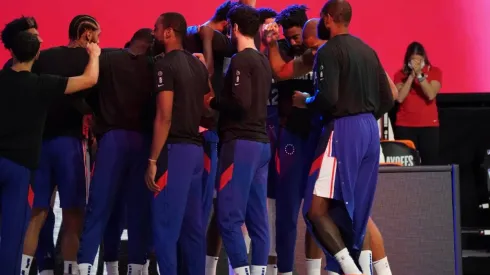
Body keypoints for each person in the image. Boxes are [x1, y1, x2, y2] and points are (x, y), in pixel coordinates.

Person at [267, 18, 396, 275]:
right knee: (337, 212)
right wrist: (270, 43)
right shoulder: (319, 55)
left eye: (313, 45)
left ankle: (356, 271)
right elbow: (280, 70)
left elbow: (389, 93)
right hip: (342, 135)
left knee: (334, 211)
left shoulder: (339, 53)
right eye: (306, 46)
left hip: (342, 135)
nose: (310, 52)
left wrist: (313, 102)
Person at [0, 16, 100, 275]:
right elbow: (90, 81)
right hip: (65, 148)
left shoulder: (21, 70)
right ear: (88, 34)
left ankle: (23, 270)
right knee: (73, 215)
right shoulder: (62, 70)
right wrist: (96, 55)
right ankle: (67, 270)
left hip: (36, 153)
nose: (40, 39)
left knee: (33, 216)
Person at [77, 27, 156, 275]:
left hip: (111, 141)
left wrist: (96, 118)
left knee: (99, 208)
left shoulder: (107, 57)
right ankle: (135, 269)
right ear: (151, 45)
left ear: (131, 40)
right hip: (143, 142)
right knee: (138, 211)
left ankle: (87, 267)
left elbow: (84, 93)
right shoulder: (156, 65)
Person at [144, 12, 211, 275]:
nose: (154, 32)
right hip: (195, 152)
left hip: (174, 153)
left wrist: (151, 161)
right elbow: (209, 106)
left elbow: (165, 116)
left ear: (169, 32)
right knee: (193, 229)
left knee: (164, 229)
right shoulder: (198, 66)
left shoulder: (164, 65)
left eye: (156, 28)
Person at [209, 5, 271, 275]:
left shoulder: (240, 60)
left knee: (228, 218)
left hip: (240, 144)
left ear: (234, 28)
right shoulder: (264, 61)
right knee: (258, 223)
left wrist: (213, 100)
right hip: (261, 145)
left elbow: (240, 103)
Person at [262, 6, 324, 275]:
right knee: (286, 212)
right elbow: (277, 72)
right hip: (291, 142)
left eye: (298, 37)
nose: (295, 42)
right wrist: (273, 43)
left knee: (318, 212)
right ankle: (285, 271)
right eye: (290, 38)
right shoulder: (283, 54)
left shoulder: (324, 54)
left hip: (320, 138)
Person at [394, 41, 442, 165]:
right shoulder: (399, 75)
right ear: (408, 61)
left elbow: (431, 94)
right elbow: (399, 98)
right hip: (405, 126)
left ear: (424, 60)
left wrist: (420, 75)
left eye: (418, 61)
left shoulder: (435, 72)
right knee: (407, 168)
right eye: (413, 61)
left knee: (429, 165)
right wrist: (410, 77)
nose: (416, 65)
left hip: (428, 126)